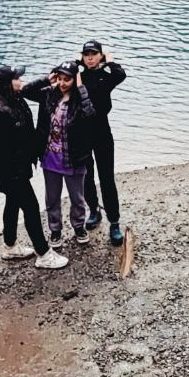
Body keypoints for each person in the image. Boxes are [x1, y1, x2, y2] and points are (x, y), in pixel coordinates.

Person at [0, 66, 68, 270]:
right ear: (8, 83)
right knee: (30, 208)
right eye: (17, 79)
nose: (20, 81)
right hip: (12, 172)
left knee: (12, 204)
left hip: (19, 167)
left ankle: (10, 245)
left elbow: (30, 91)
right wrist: (11, 176)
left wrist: (47, 79)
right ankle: (43, 253)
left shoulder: (15, 99)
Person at [23, 62, 95, 245]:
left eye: (67, 79)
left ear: (75, 79)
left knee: (77, 198)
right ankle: (55, 230)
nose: (62, 83)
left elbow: (90, 116)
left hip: (74, 158)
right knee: (52, 198)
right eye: (60, 79)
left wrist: (80, 87)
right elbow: (25, 91)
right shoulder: (49, 94)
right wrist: (46, 79)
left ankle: (79, 227)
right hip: (50, 157)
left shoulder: (81, 98)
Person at [78, 39, 127, 246]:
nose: (89, 58)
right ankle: (93, 210)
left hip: (102, 131)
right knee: (86, 175)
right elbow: (56, 78)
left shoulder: (105, 77)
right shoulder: (77, 76)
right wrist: (76, 63)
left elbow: (121, 75)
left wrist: (109, 60)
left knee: (107, 177)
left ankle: (114, 222)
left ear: (99, 55)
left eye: (93, 54)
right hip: (82, 132)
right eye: (86, 54)